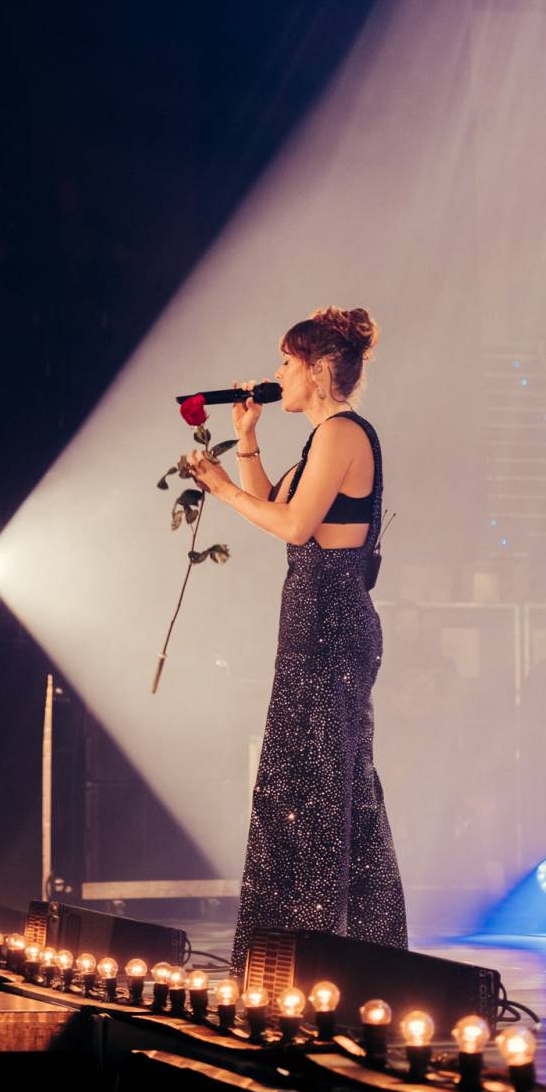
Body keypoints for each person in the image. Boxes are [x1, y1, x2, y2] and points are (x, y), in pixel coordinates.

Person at [188, 304, 408, 976]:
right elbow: (280, 510)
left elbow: (290, 526)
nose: (277, 374)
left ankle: (326, 959)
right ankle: (300, 956)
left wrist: (222, 488)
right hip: (310, 621)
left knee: (323, 790)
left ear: (315, 371)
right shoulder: (320, 438)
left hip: (334, 623)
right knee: (299, 787)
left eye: (286, 363)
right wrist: (246, 442)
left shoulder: (343, 433)